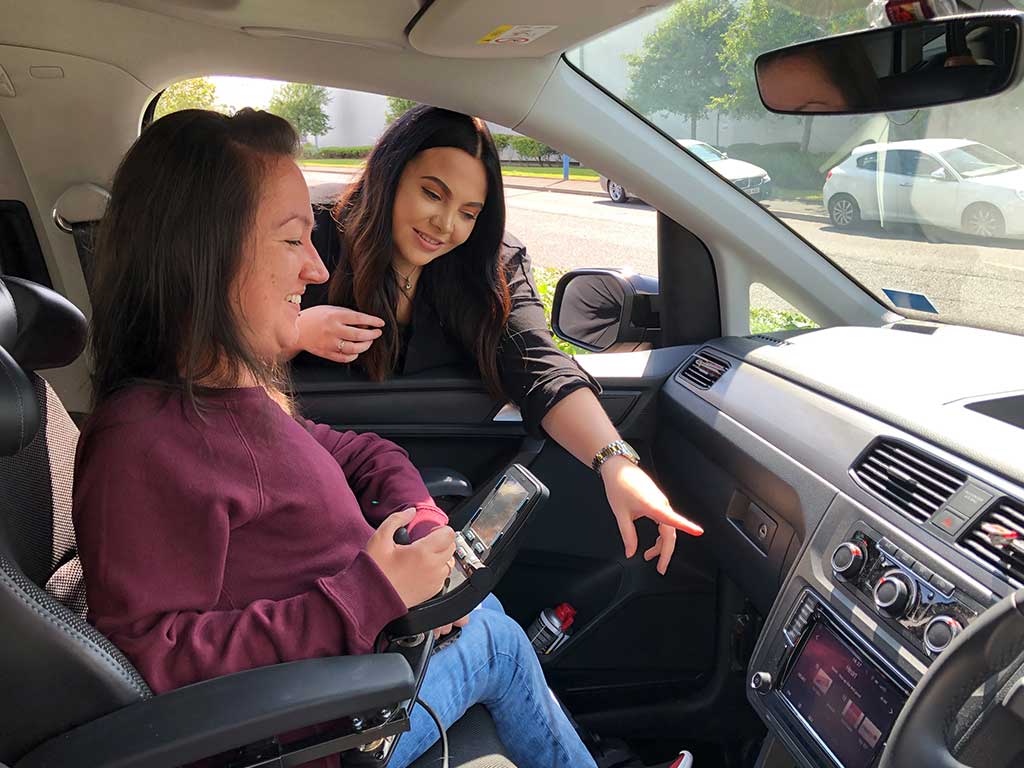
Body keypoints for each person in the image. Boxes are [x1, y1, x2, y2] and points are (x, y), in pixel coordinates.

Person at [72, 108, 598, 768]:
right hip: (323, 724)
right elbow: (150, 660)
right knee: (498, 640)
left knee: (484, 616)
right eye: (293, 241)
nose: (317, 270)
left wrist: (419, 526)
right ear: (202, 255)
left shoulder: (230, 391)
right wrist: (370, 593)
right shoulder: (144, 442)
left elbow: (365, 452)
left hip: (368, 649)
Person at [294, 106, 703, 576]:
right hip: (305, 490)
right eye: (432, 194)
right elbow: (219, 353)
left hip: (424, 512)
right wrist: (296, 332)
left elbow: (540, 365)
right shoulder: (316, 235)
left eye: (468, 212)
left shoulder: (490, 265)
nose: (445, 225)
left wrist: (617, 465)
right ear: (390, 175)